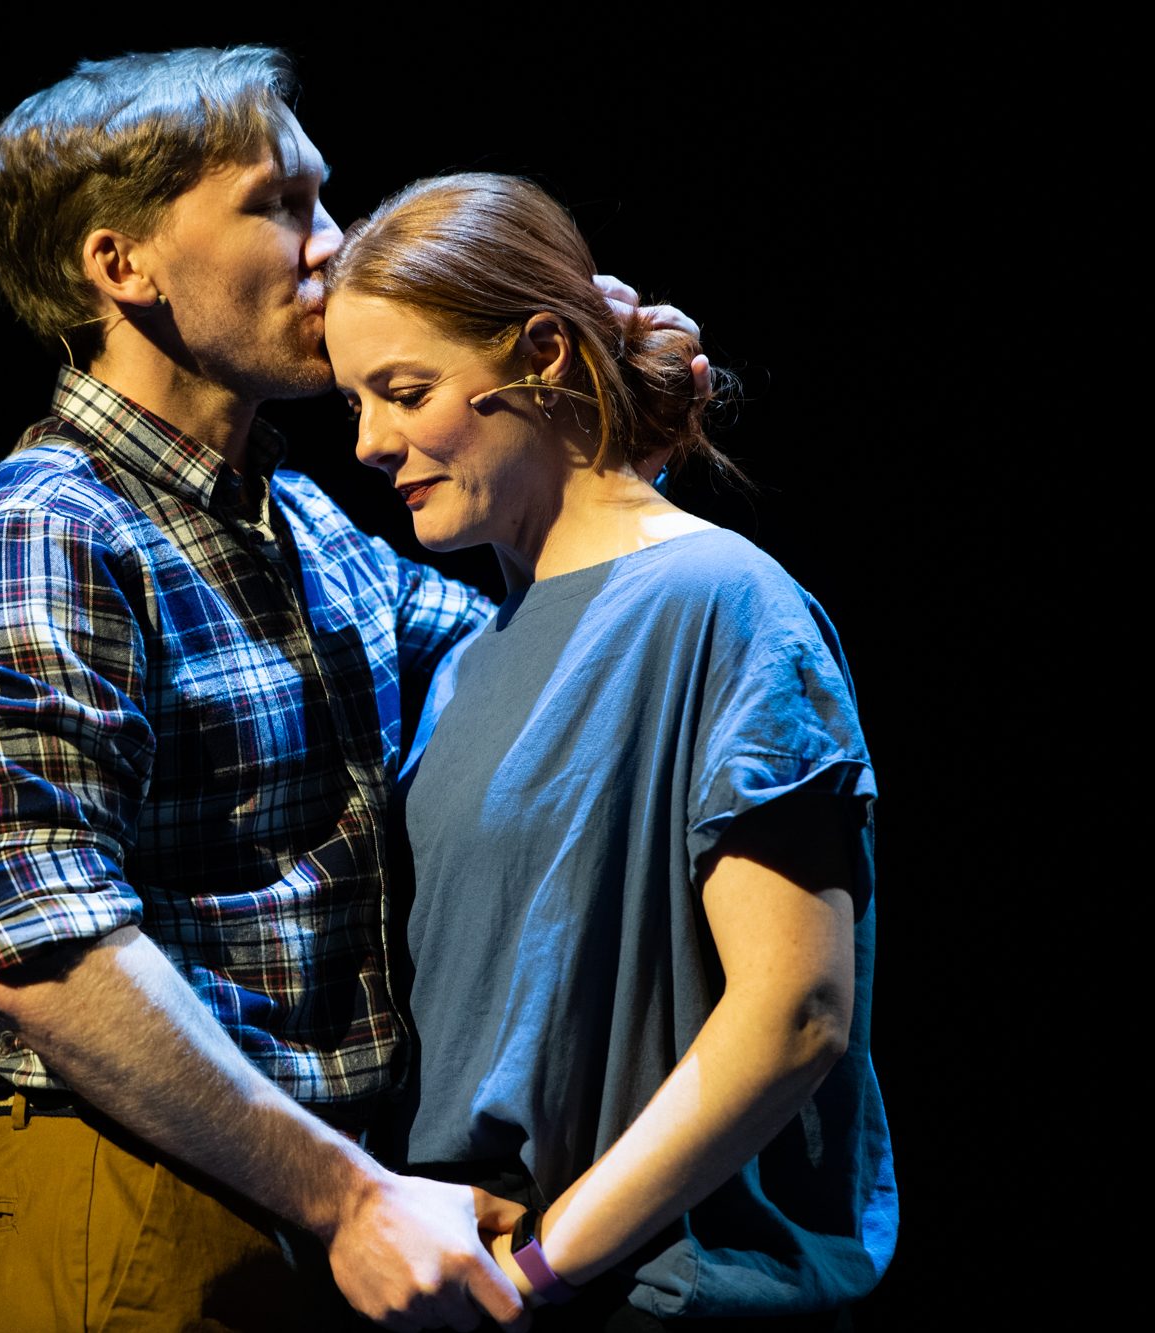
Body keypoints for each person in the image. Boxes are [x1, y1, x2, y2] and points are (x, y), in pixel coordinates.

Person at [0, 47, 704, 1331]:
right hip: (135, 1198)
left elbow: (527, 663)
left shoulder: (294, 518)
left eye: (325, 200)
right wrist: (347, 1197)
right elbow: (42, 945)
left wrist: (588, 431)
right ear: (122, 266)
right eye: (279, 205)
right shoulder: (51, 528)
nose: (334, 245)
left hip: (300, 1196)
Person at [323, 172, 897, 1329]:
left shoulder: (719, 600)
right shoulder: (466, 658)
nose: (371, 444)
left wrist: (542, 1265)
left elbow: (795, 1008)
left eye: (405, 391)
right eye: (353, 404)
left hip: (652, 1294)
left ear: (542, 354)